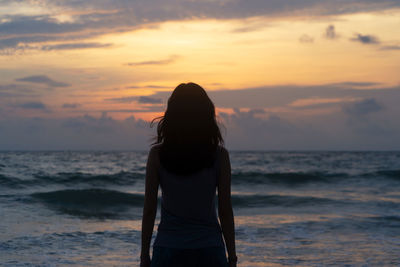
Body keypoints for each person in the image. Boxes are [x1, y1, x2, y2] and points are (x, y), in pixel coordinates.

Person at [140, 83, 237, 267]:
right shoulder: (219, 156)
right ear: (207, 115)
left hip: (168, 248)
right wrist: (232, 257)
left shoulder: (157, 155)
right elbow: (225, 210)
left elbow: (149, 209)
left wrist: (144, 256)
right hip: (209, 248)